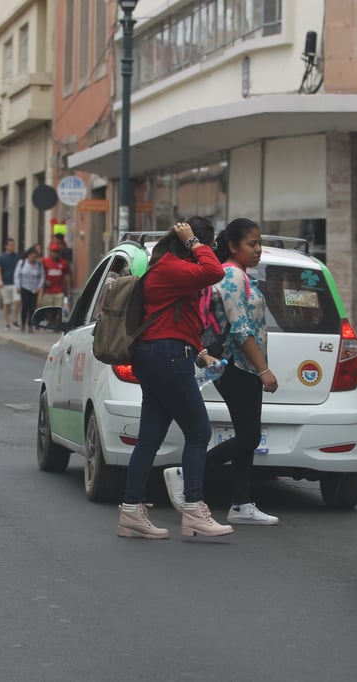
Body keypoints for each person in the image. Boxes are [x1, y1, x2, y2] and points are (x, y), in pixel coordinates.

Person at [116, 218, 232, 540]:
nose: (207, 252)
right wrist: (196, 242)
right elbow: (214, 272)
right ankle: (194, 509)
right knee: (199, 431)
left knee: (150, 437)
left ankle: (131, 512)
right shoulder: (170, 267)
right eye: (204, 246)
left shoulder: (166, 268)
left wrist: (198, 350)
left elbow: (177, 317)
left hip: (160, 355)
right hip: (167, 357)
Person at [162, 218, 280, 526]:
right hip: (235, 365)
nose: (258, 250)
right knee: (250, 435)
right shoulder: (230, 275)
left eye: (259, 243)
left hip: (244, 367)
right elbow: (241, 329)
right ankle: (186, 472)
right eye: (251, 244)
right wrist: (264, 369)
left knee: (246, 434)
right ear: (232, 246)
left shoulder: (241, 275)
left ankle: (241, 503)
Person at [14, 246, 45, 333]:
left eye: (35, 257)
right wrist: (18, 286)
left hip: (34, 289)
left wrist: (39, 286)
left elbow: (42, 276)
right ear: (28, 256)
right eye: (32, 257)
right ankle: (23, 324)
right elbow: (17, 275)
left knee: (32, 307)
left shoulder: (39, 265)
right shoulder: (22, 263)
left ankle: (30, 324)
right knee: (25, 306)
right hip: (24, 287)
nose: (33, 259)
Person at [0, 238, 22, 329]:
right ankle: (6, 322)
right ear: (6, 246)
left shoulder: (17, 257)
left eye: (13, 245)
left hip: (15, 283)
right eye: (10, 245)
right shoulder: (2, 257)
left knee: (17, 300)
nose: (13, 246)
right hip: (5, 283)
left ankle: (14, 319)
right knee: (6, 304)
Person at [41, 243, 71, 309]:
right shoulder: (44, 261)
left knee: (58, 310)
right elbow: (40, 274)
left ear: (59, 253)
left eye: (56, 252)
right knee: (47, 310)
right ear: (50, 252)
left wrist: (69, 289)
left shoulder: (64, 263)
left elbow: (67, 276)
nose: (55, 253)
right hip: (47, 291)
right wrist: (44, 281)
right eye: (53, 251)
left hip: (59, 291)